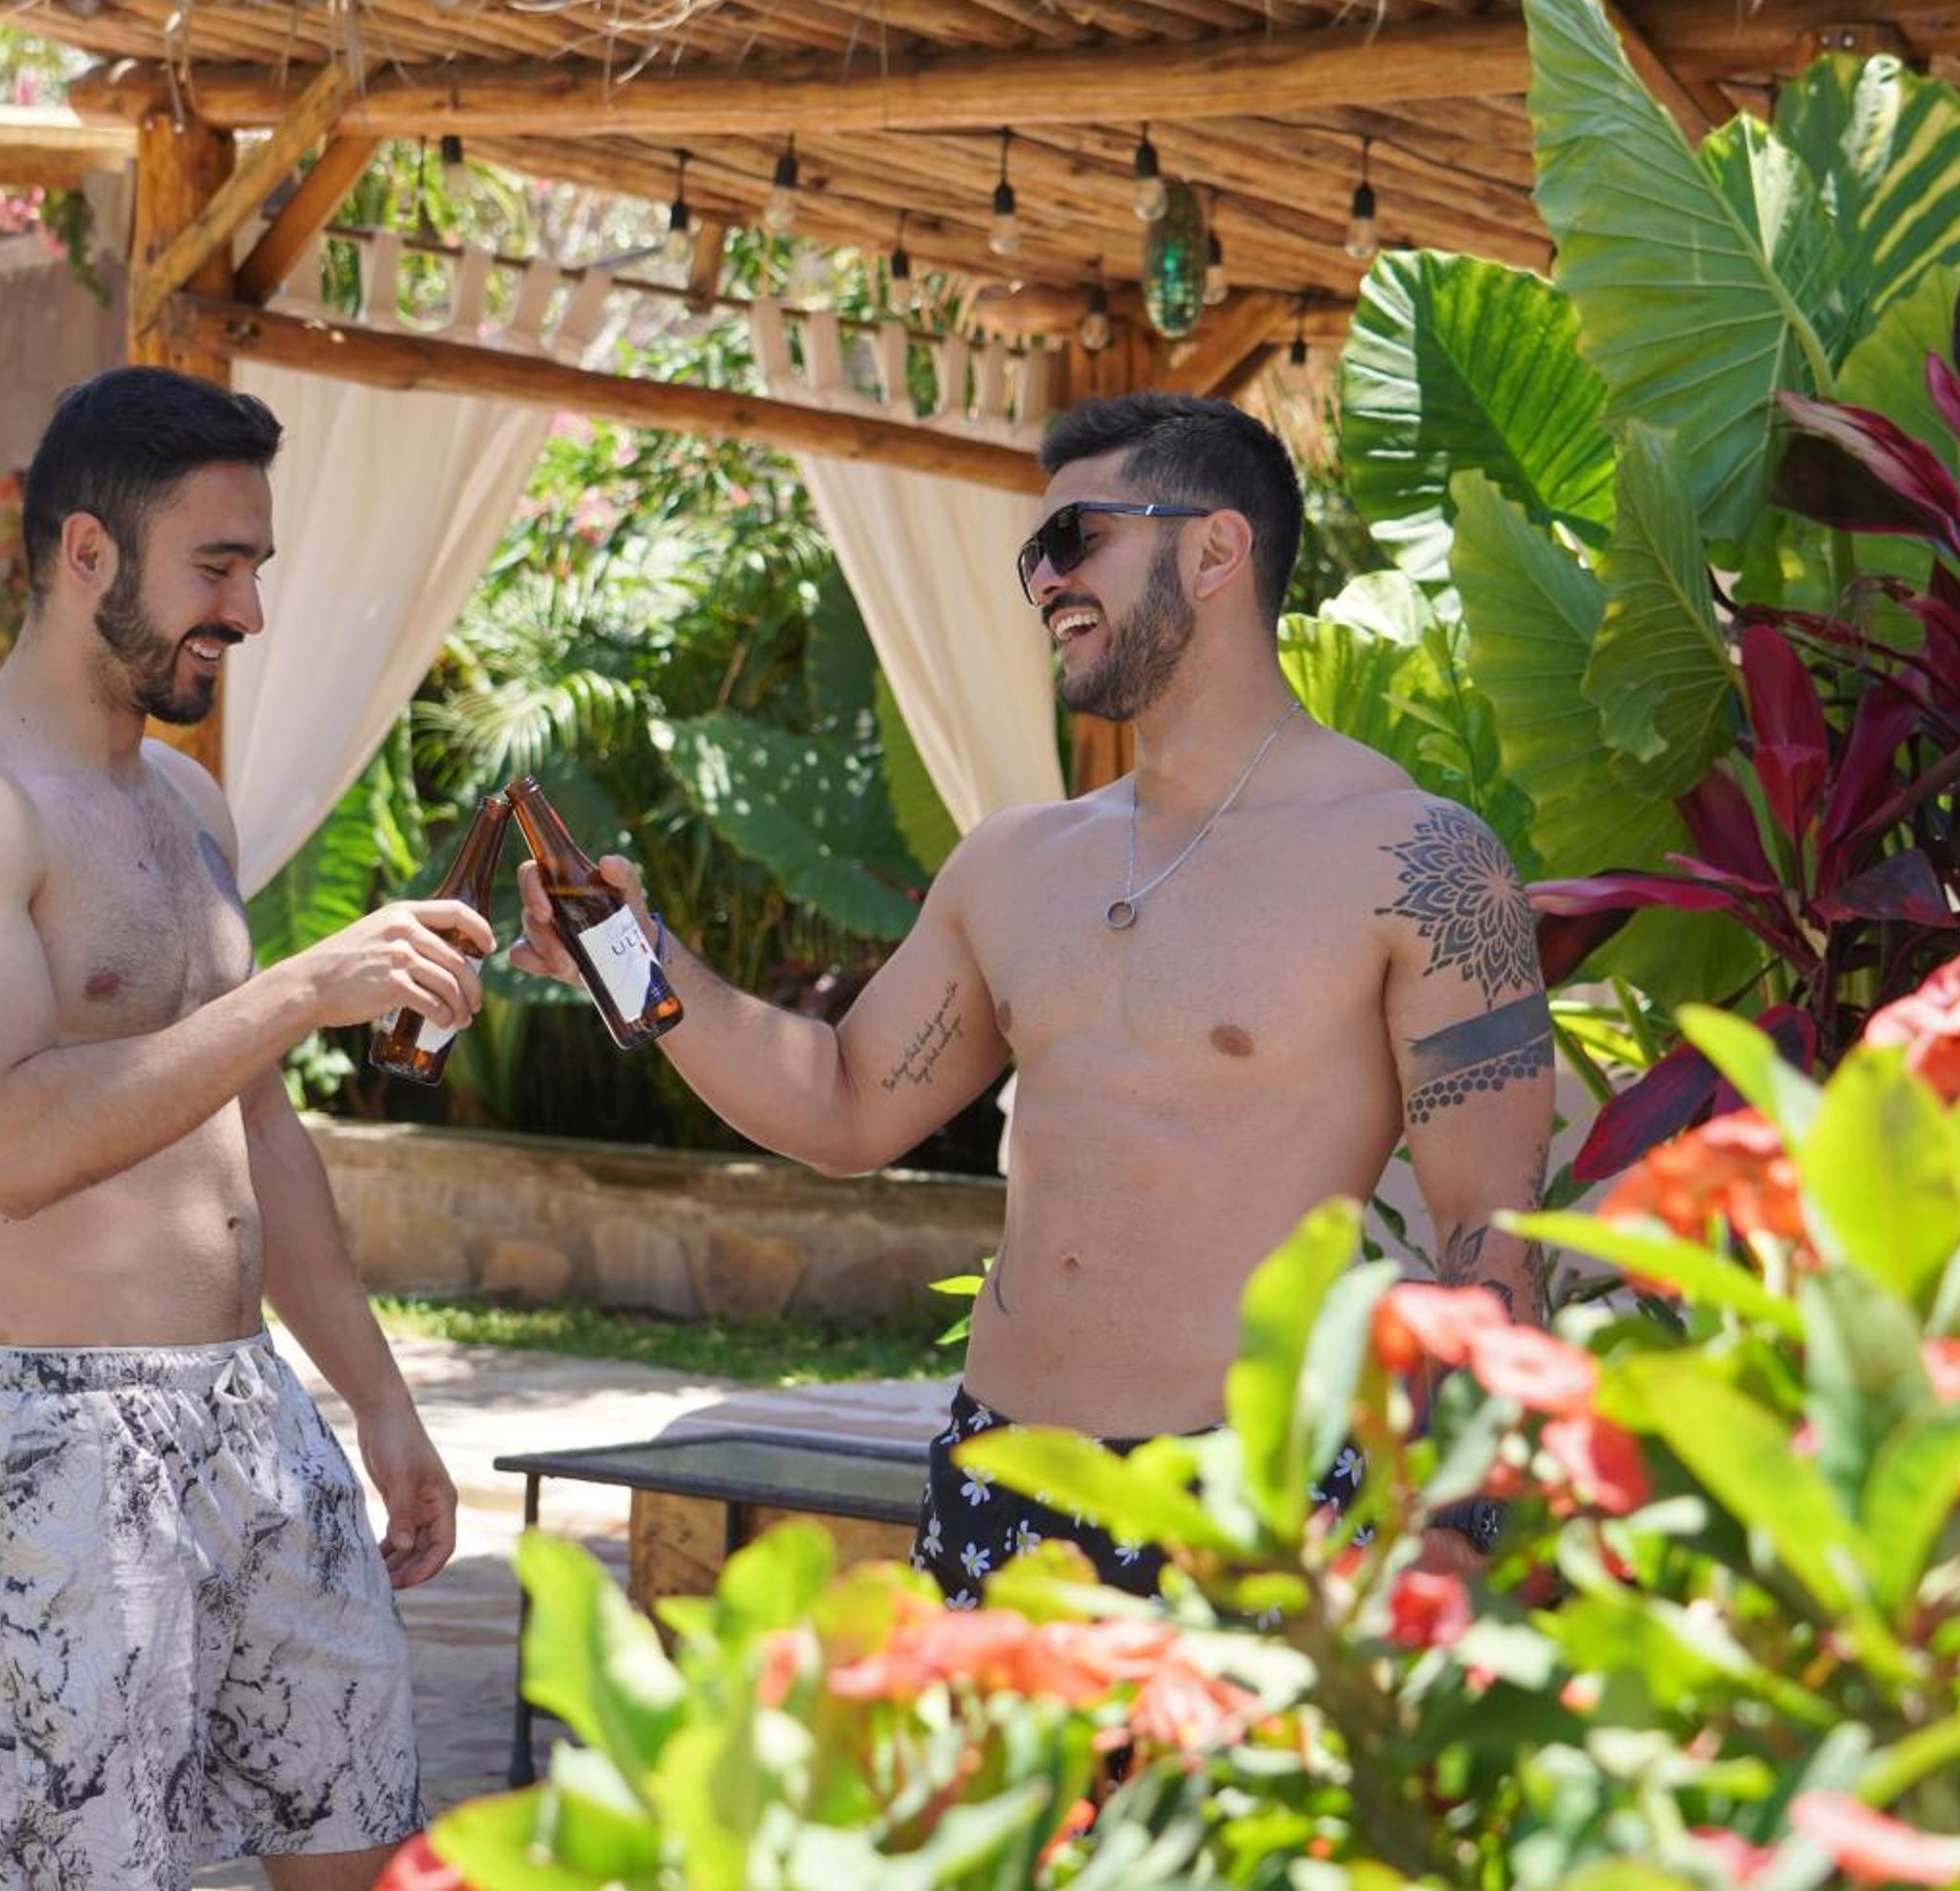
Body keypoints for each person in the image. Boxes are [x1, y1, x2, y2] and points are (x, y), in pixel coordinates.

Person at [512, 392, 1553, 1606]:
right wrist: (633, 956)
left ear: (1216, 549)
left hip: (1256, 1497)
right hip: (998, 1474)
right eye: (1034, 556)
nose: (1046, 581)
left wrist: (1474, 1529)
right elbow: (844, 1105)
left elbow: (1489, 1225)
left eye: (1076, 539)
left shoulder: (1411, 858)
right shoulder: (1015, 861)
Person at [0, 366, 492, 1890]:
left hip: (252, 1403)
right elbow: (15, 1145)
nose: (247, 611)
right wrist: (302, 991)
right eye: (218, 567)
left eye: (255, 568)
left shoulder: (188, 808)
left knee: (368, 1853)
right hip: (56, 1430)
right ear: (88, 553)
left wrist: (379, 1404)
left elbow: (256, 1130)